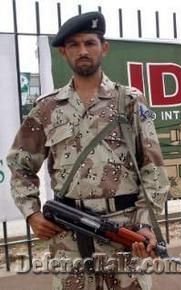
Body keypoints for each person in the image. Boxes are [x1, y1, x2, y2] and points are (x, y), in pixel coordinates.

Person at [7, 11, 169, 290]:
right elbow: (20, 164)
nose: (82, 51)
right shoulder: (47, 108)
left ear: (103, 48)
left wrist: (145, 225)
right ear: (63, 52)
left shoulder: (128, 102)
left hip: (122, 232)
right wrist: (32, 213)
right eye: (74, 45)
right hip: (69, 237)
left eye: (90, 43)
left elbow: (153, 169)